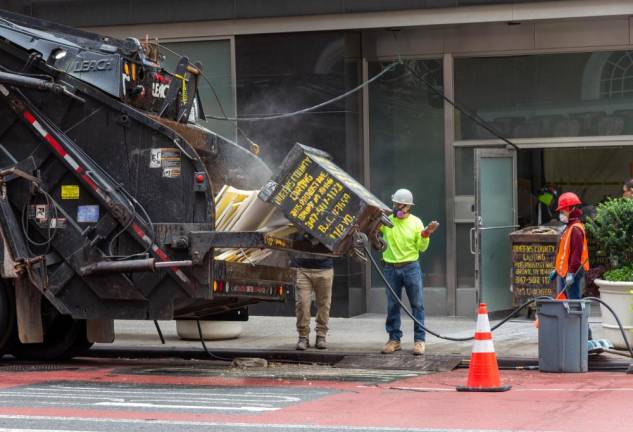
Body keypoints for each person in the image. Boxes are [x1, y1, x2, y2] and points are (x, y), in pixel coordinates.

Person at [380, 188, 439, 356]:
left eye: (401, 204)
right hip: (390, 267)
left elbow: (421, 248)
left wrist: (426, 234)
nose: (397, 207)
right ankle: (394, 340)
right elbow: (375, 236)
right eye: (396, 203)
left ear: (408, 206)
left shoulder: (416, 222)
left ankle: (419, 341)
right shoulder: (387, 222)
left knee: (417, 304)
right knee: (393, 305)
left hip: (411, 267)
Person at [291, 244, 334, 351]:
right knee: (302, 303)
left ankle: (321, 335)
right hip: (303, 268)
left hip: (324, 268)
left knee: (324, 304)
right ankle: (303, 336)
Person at [550, 192, 590, 301]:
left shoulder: (575, 230)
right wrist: (557, 270)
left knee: (573, 303)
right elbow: (563, 252)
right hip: (565, 271)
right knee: (563, 303)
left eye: (562, 211)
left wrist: (571, 273)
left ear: (570, 209)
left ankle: (575, 318)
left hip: (572, 271)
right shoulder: (568, 228)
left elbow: (576, 254)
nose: (561, 214)